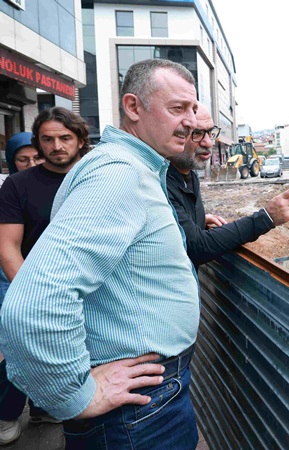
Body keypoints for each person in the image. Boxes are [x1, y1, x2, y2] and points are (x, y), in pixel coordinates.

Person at [1, 59, 201, 449]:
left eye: (193, 109)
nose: (191, 121)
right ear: (133, 107)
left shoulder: (133, 169)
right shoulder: (118, 175)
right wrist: (73, 396)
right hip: (139, 411)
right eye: (177, 108)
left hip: (148, 398)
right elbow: (33, 304)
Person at [0, 117, 89, 444]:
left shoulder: (97, 178)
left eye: (65, 138)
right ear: (38, 142)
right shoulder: (18, 185)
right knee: (20, 349)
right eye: (47, 139)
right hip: (33, 287)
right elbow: (8, 246)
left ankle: (49, 405)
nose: (56, 146)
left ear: (80, 139)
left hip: (90, 290)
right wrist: (32, 297)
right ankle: (6, 413)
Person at [167, 105, 289, 269]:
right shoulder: (162, 182)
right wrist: (266, 217)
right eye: (197, 133)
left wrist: (198, 220)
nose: (208, 142)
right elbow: (196, 248)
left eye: (210, 132)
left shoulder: (191, 176)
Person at [0, 133, 42, 302]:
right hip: (11, 270)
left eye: (37, 157)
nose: (31, 164)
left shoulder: (59, 185)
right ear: (12, 161)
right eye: (23, 159)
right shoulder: (7, 190)